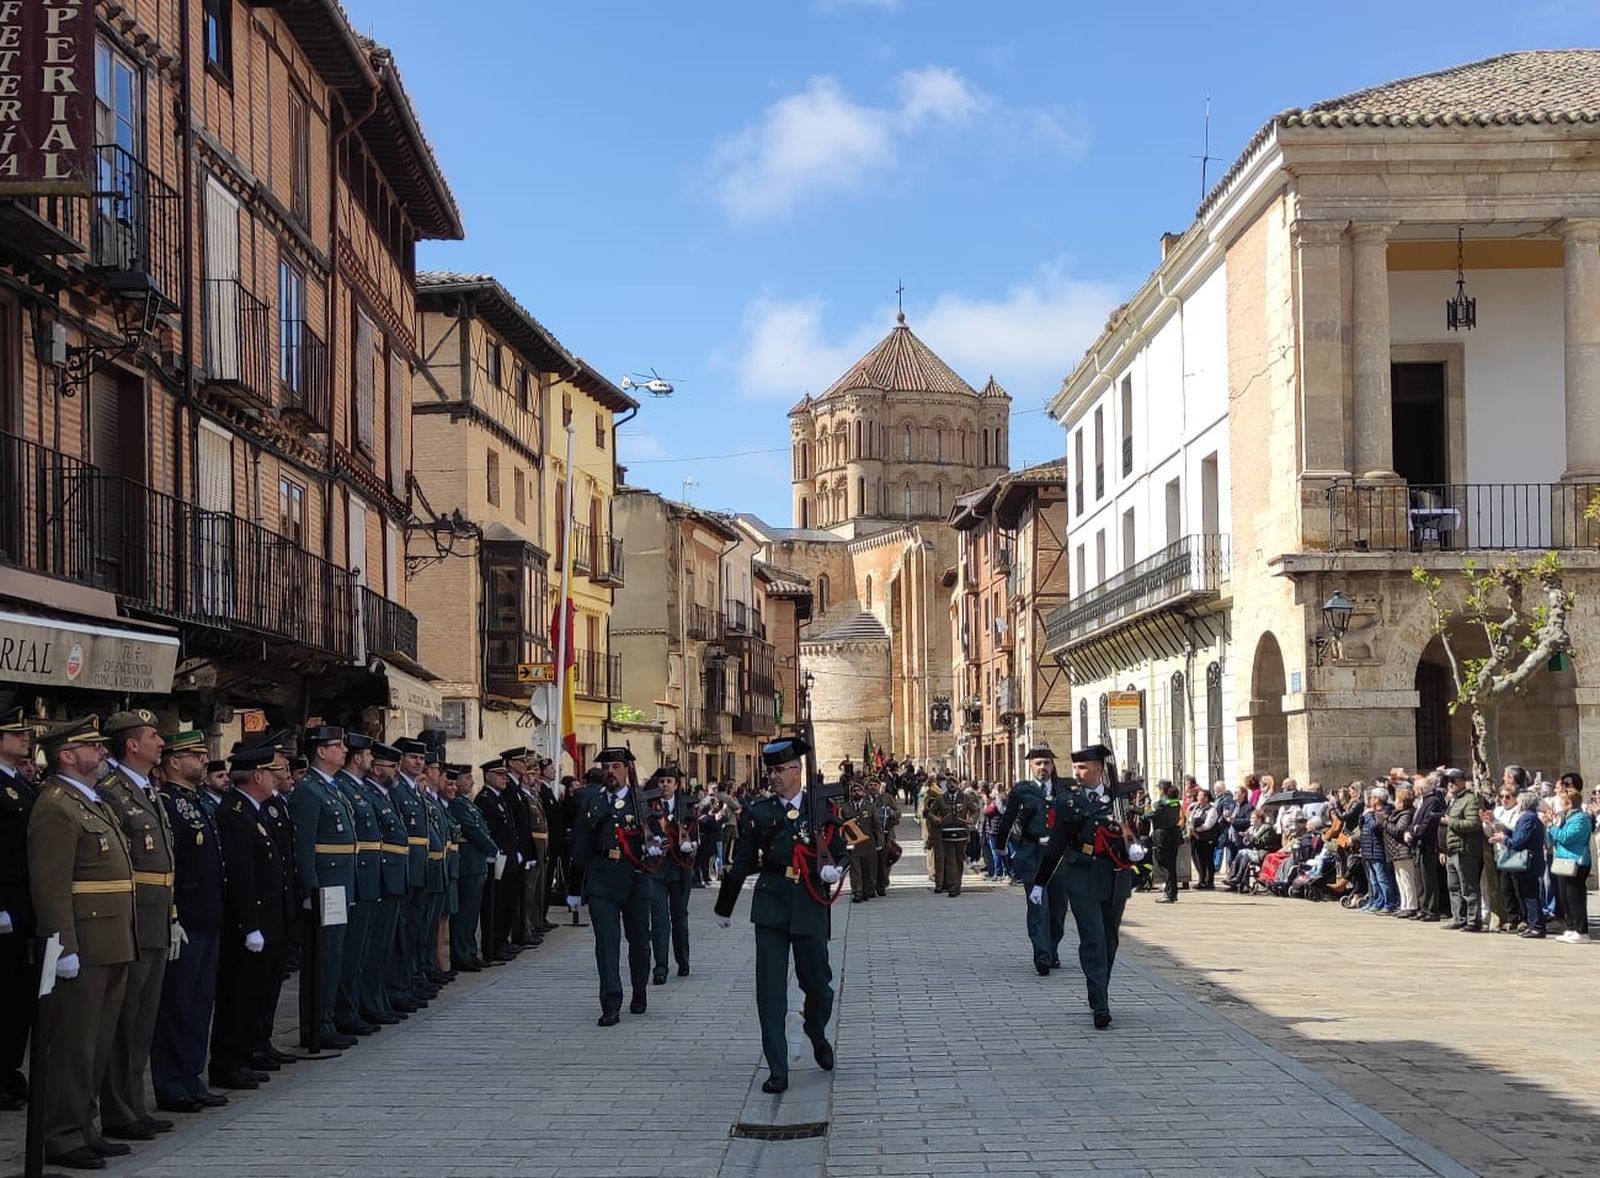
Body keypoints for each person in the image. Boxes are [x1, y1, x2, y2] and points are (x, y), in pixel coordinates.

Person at [30, 716, 141, 1169]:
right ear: (67, 756)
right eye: (92, 747)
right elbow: (50, 885)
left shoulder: (91, 801)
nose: (102, 752)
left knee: (97, 1041)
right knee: (75, 1044)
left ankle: (85, 1125)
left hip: (112, 938)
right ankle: (62, 1134)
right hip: (85, 941)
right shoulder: (56, 806)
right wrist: (64, 946)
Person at [713, 738, 847, 1094]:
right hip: (771, 905)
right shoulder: (760, 812)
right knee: (770, 992)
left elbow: (842, 850)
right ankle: (777, 1067)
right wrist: (724, 906)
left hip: (809, 902)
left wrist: (834, 869)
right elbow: (742, 861)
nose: (772, 777)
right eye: (769, 771)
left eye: (778, 770)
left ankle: (815, 1030)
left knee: (819, 986)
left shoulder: (822, 808)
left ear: (797, 771)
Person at [94, 710, 178, 1144]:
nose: (161, 743)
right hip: (132, 918)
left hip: (156, 916)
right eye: (153, 736)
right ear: (131, 744)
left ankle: (134, 1104)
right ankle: (118, 1109)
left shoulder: (146, 788)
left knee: (143, 1018)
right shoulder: (112, 792)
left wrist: (172, 915)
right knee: (124, 1020)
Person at [1030, 744, 1137, 1029]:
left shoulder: (1120, 800)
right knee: (1093, 938)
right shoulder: (1068, 803)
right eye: (1075, 767)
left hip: (1115, 876)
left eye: (1083, 767)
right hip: (1082, 874)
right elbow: (1056, 846)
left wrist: (1137, 847)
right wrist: (1040, 883)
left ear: (1099, 769)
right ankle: (1100, 1002)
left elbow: (1136, 834)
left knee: (1110, 939)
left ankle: (1100, 988)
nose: (1077, 772)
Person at [150, 730, 228, 1113]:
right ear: (174, 762)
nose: (203, 760)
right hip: (186, 916)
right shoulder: (167, 802)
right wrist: (173, 914)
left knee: (199, 1003)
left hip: (208, 915)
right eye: (196, 755)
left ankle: (192, 1075)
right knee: (177, 1003)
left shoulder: (197, 801)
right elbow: (171, 864)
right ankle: (171, 1081)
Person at [209, 744, 292, 1092]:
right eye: (272, 773)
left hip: (268, 916)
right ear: (257, 775)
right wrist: (250, 926)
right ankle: (229, 1062)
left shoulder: (257, 811)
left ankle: (250, 1049)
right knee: (238, 994)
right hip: (248, 922)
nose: (276, 779)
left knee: (258, 990)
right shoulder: (235, 813)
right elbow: (240, 875)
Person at [571, 748, 657, 1025]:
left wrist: (655, 847)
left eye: (616, 766)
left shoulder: (642, 802)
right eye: (607, 767)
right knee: (606, 943)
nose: (610, 772)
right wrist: (574, 888)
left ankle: (639, 989)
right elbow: (581, 844)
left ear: (627, 770)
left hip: (635, 877)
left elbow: (659, 836)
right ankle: (610, 1002)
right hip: (602, 877)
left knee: (639, 940)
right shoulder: (592, 802)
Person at [288, 725, 358, 1049]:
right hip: (325, 886)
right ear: (321, 751)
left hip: (340, 885)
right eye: (338, 746)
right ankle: (317, 1024)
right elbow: (304, 846)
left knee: (335, 954)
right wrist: (309, 889)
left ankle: (328, 1018)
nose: (344, 751)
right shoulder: (308, 791)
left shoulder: (332, 788)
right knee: (324, 957)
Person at [996, 747, 1073, 974]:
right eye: (1038, 763)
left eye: (1046, 763)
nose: (1042, 767)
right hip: (1033, 854)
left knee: (1058, 908)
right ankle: (1042, 955)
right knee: (1039, 906)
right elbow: (1008, 818)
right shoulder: (1023, 790)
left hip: (1059, 858)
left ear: (1053, 766)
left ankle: (1052, 948)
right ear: (1031, 766)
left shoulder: (1064, 789)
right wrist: (1001, 845)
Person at [0, 707, 40, 1113]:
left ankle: (9, 1070)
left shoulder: (21, 784)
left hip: (25, 906)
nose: (25, 738)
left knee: (18, 997)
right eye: (16, 734)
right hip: (6, 907)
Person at [331, 733, 382, 1038]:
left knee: (361, 951)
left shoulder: (355, 788)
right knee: (346, 953)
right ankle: (344, 1011)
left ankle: (357, 1006)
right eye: (368, 754)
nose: (371, 760)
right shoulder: (342, 787)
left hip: (364, 878)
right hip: (350, 879)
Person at [356, 743, 411, 1022]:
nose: (397, 771)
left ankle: (382, 999)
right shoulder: (369, 794)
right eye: (392, 766)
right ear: (376, 769)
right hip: (381, 876)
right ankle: (372, 1003)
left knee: (386, 945)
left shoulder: (384, 795)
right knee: (375, 946)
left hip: (393, 876)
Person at [646, 766, 696, 980]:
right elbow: (645, 831)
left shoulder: (686, 805)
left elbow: (694, 832)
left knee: (679, 916)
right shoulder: (649, 806)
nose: (665, 785)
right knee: (659, 918)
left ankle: (683, 960)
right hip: (657, 868)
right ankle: (660, 967)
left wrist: (691, 845)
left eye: (669, 781)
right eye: (662, 781)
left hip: (681, 868)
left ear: (676, 785)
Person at [446, 766, 497, 971]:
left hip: (477, 863)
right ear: (457, 782)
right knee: (464, 914)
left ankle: (470, 951)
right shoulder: (457, 806)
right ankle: (461, 955)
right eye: (467, 778)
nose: (472, 782)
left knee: (472, 914)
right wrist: (492, 848)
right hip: (467, 864)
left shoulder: (467, 804)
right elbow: (472, 831)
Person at [474, 759, 518, 961]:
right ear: (488, 776)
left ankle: (502, 940)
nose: (504, 779)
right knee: (495, 903)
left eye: (505, 775)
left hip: (507, 858)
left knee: (506, 901)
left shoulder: (499, 798)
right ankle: (493, 944)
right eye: (500, 775)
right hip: (497, 859)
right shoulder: (485, 799)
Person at [1492, 790, 1547, 938]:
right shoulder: (1530, 818)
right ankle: (1532, 924)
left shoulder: (1527, 818)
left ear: (1522, 804)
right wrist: (1506, 833)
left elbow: (1518, 842)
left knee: (1530, 895)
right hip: (1529, 861)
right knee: (1526, 894)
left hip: (1528, 862)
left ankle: (1537, 926)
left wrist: (1503, 839)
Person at [1442, 769, 1485, 932]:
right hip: (1451, 849)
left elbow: (1473, 823)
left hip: (1465, 849)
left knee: (1468, 887)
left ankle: (1473, 920)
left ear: (1462, 781)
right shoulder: (1453, 800)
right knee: (1453, 887)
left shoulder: (1470, 799)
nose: (1450, 784)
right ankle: (1458, 918)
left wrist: (1451, 822)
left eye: (1453, 780)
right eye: (1448, 781)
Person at [1547, 786, 1592, 943]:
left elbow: (1566, 837)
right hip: (1563, 861)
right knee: (1564, 897)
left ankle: (1582, 931)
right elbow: (1554, 839)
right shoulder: (1565, 818)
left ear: (1569, 803)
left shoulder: (1581, 818)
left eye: (1561, 802)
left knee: (1575, 897)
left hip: (1577, 861)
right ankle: (1571, 927)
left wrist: (1552, 827)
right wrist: (1551, 826)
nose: (1559, 805)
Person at [839, 780, 882, 902]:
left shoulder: (870, 807)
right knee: (855, 868)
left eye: (859, 790)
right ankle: (857, 891)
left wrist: (880, 842)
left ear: (863, 793)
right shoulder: (845, 808)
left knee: (869, 868)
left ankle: (869, 889)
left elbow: (877, 825)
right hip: (853, 844)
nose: (856, 793)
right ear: (851, 793)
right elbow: (841, 826)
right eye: (854, 791)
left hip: (869, 843)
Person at [1384, 786, 1419, 918]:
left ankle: (1411, 906)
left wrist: (1385, 823)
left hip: (1403, 850)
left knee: (1407, 879)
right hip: (1395, 851)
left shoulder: (1407, 813)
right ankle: (1404, 905)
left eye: (1397, 800)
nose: (1395, 802)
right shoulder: (1397, 813)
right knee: (1400, 879)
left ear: (1402, 801)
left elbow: (1399, 830)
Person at [1149, 781, 1183, 902]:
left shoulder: (1161, 803)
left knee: (1164, 863)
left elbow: (1148, 815)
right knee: (1172, 865)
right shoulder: (1176, 802)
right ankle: (1173, 892)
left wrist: (1144, 809)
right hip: (1174, 834)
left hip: (1162, 836)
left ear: (1163, 790)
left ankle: (1169, 894)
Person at [1185, 785, 1221, 890]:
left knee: (1208, 859)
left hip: (1207, 838)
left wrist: (1196, 830)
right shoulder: (1196, 807)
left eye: (1200, 796)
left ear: (1206, 798)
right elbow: (1190, 819)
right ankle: (1201, 880)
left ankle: (1209, 882)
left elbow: (1208, 825)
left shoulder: (1212, 810)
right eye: (1198, 796)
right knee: (1199, 860)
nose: (1198, 798)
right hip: (1196, 838)